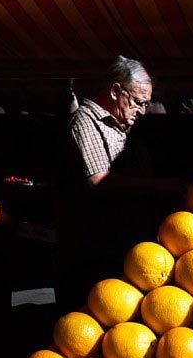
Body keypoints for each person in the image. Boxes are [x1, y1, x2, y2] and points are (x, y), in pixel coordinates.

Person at [55, 55, 185, 311]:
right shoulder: (85, 121)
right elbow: (98, 180)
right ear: (115, 91)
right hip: (92, 249)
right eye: (138, 102)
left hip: (120, 245)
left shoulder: (121, 126)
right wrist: (161, 187)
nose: (143, 110)